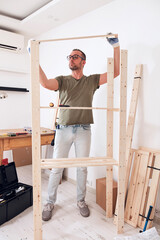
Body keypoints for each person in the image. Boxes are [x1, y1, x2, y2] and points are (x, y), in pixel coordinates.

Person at [37, 35, 120, 221]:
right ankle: (49, 202)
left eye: (75, 56)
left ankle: (81, 201)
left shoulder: (91, 81)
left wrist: (116, 47)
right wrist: (34, 60)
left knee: (82, 167)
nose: (71, 59)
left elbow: (115, 72)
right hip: (63, 129)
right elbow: (44, 83)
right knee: (57, 168)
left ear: (83, 62)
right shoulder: (63, 80)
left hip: (84, 130)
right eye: (69, 57)